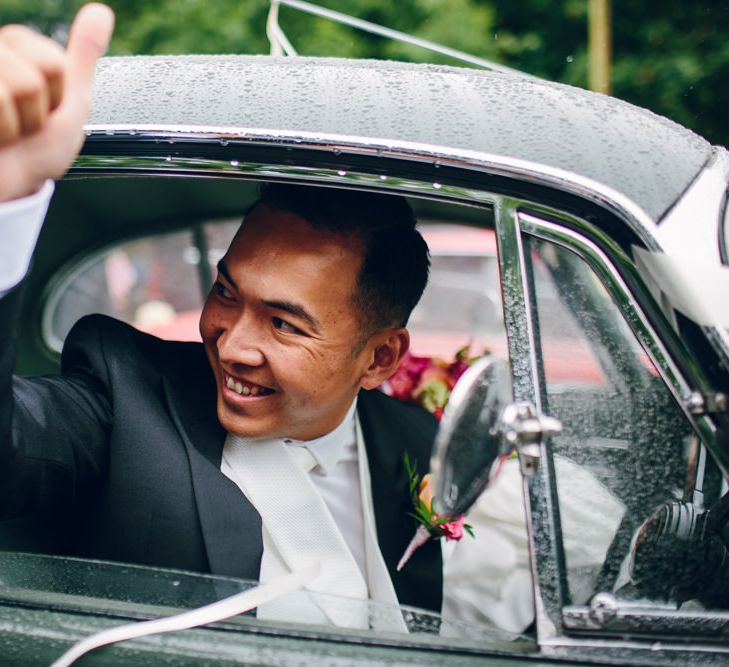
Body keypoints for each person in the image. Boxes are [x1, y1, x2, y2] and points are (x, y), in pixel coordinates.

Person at [0, 3, 443, 621]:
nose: (231, 345)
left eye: (285, 323)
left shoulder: (419, 445)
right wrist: (7, 200)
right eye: (227, 293)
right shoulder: (121, 396)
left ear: (380, 358)